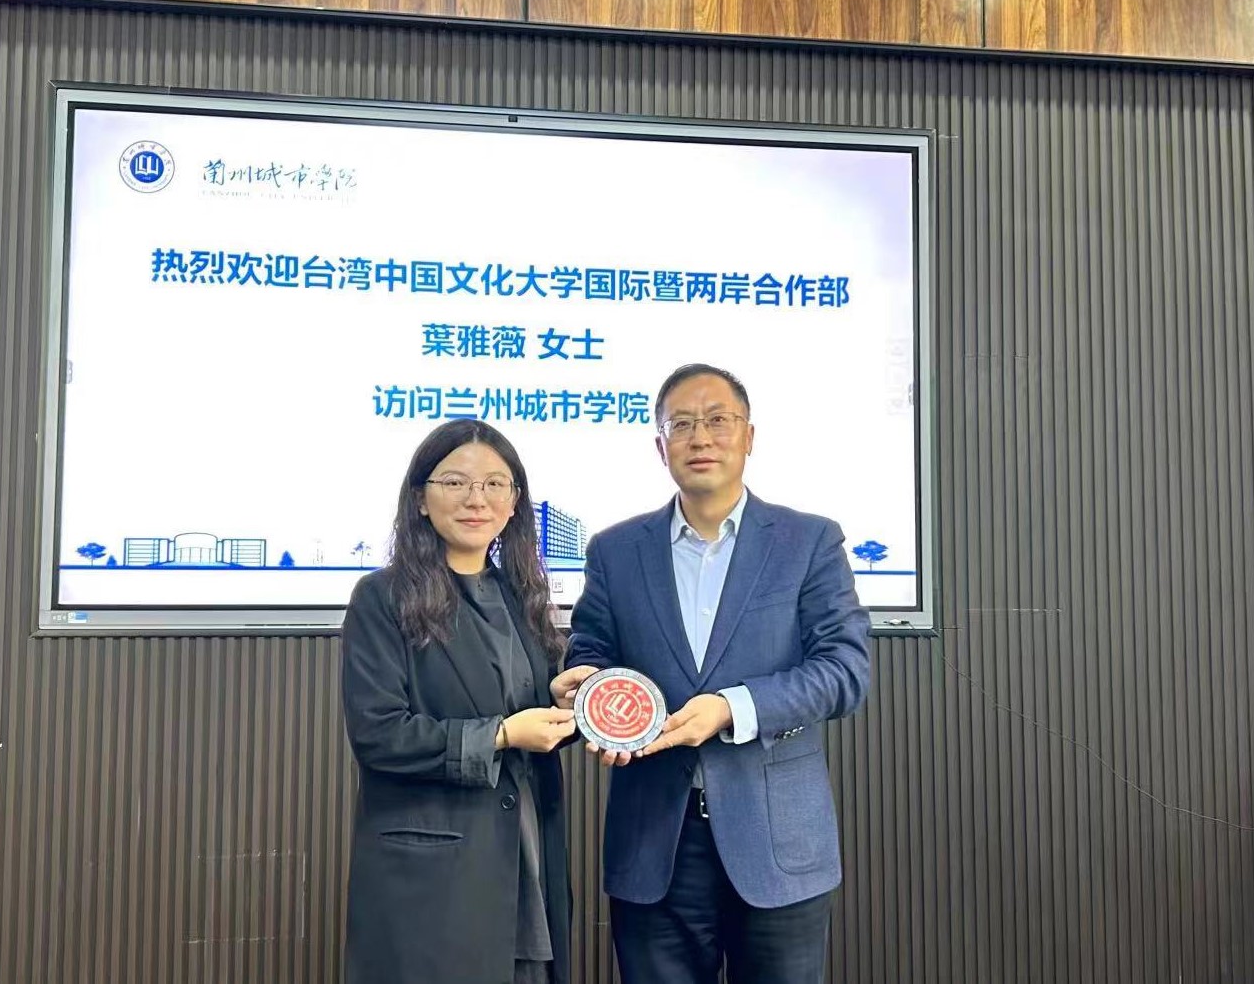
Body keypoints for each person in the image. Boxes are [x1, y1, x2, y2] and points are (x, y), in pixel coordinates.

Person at [560, 363, 872, 984]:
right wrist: (587, 684)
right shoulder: (615, 551)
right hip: (654, 844)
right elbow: (590, 647)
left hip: (778, 844)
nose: (700, 437)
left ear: (749, 436)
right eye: (681, 424)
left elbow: (845, 669)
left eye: (717, 420)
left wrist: (733, 708)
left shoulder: (808, 541)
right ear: (660, 446)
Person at [341, 419, 593, 984]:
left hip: (526, 852)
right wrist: (501, 735)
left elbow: (524, 710)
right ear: (420, 498)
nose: (477, 499)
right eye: (455, 482)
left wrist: (560, 700)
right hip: (436, 873)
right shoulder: (381, 597)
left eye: (495, 484)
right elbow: (380, 735)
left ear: (514, 502)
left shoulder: (521, 594)